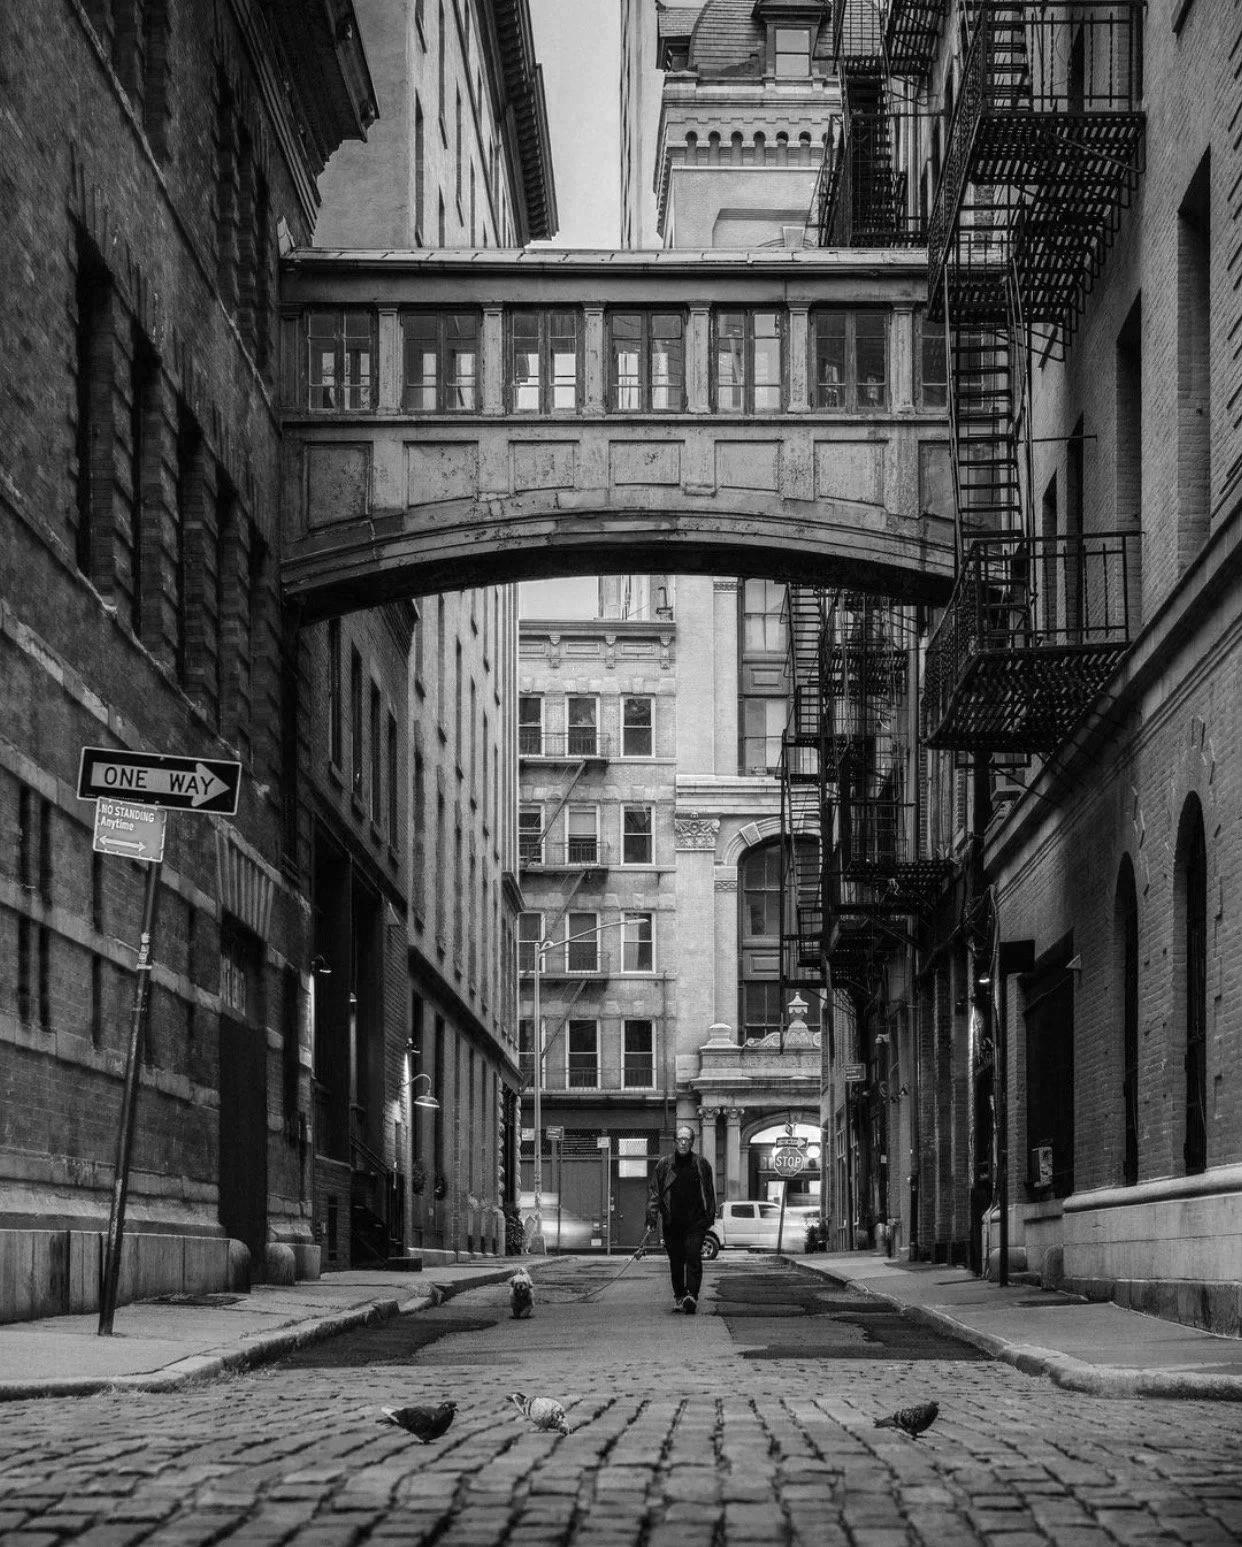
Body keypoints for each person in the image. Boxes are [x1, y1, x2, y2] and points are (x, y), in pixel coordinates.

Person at [646, 1123, 716, 1315]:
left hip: (695, 1222)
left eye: (687, 1139)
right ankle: (679, 1297)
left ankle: (691, 1296)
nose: (683, 1143)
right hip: (672, 1222)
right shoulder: (664, 1165)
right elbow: (655, 1193)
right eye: (680, 1139)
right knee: (676, 1261)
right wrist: (651, 1218)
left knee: (693, 1256)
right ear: (675, 1141)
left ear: (692, 1142)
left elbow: (709, 1192)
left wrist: (709, 1216)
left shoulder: (701, 1164)